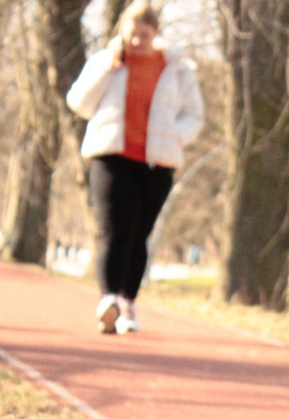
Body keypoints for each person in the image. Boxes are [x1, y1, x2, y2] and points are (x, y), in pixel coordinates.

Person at [66, 1, 204, 334]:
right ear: (122, 32)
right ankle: (108, 299)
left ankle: (128, 302)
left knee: (140, 233)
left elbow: (195, 116)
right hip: (112, 155)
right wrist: (107, 69)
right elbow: (79, 103)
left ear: (156, 34)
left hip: (157, 161)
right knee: (114, 227)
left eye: (146, 35)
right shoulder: (107, 62)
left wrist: (174, 135)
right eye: (133, 34)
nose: (139, 41)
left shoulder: (177, 69)